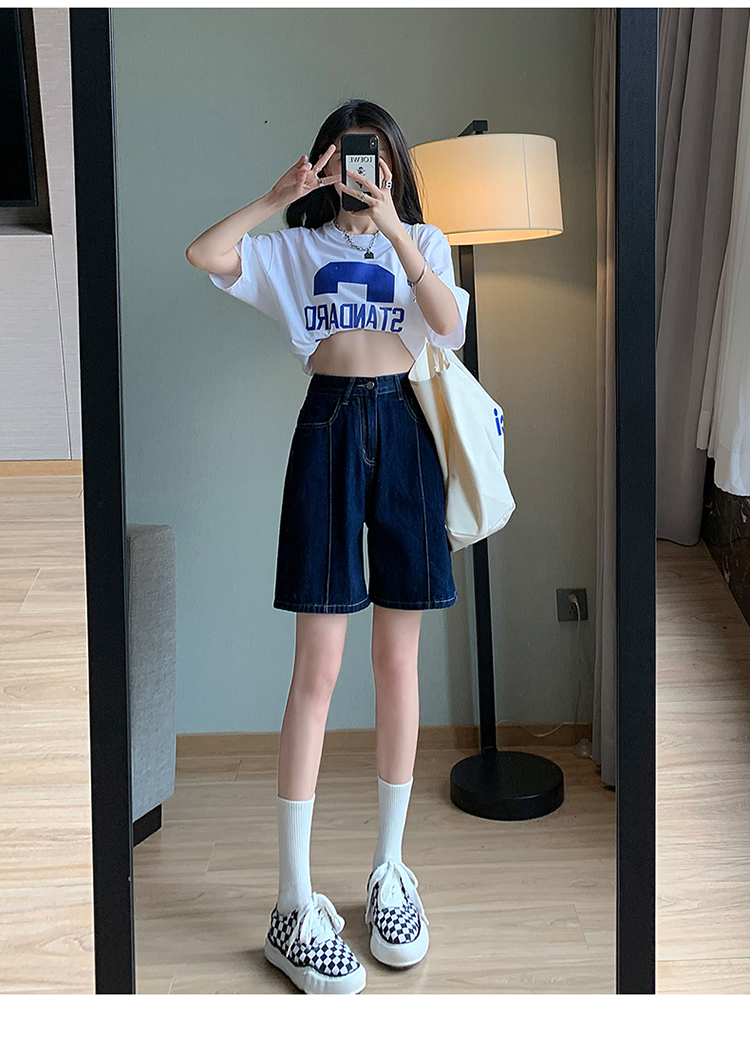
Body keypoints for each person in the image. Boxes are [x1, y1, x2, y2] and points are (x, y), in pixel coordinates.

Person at [186, 99, 470, 995]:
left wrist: (395, 227)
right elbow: (206, 255)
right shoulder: (295, 247)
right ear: (326, 163)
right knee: (316, 669)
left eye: (376, 158)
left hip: (406, 432)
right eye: (349, 157)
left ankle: (389, 869)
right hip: (329, 430)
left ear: (395, 167)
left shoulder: (424, 240)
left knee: (397, 661)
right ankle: (291, 901)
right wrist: (278, 197)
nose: (362, 171)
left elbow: (448, 326)